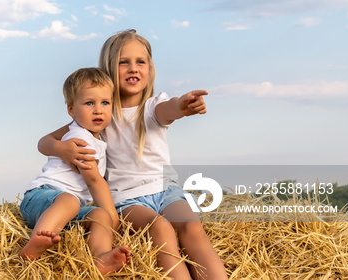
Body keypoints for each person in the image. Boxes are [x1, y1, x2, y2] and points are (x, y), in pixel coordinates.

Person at [38, 29, 227, 280]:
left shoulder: (152, 107)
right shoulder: (99, 114)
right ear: (108, 68)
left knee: (191, 228)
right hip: (127, 199)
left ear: (150, 68)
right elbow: (44, 142)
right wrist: (62, 148)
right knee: (160, 230)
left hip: (166, 190)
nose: (133, 68)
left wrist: (182, 106)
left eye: (141, 62)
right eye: (123, 62)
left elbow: (168, 110)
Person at [19, 67, 131, 274]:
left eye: (105, 103)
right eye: (89, 103)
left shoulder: (88, 132)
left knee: (99, 216)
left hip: (70, 211)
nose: (98, 110)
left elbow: (44, 142)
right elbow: (94, 181)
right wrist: (113, 215)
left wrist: (106, 216)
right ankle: (37, 240)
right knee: (75, 203)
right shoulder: (80, 137)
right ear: (72, 110)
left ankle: (101, 258)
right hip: (41, 197)